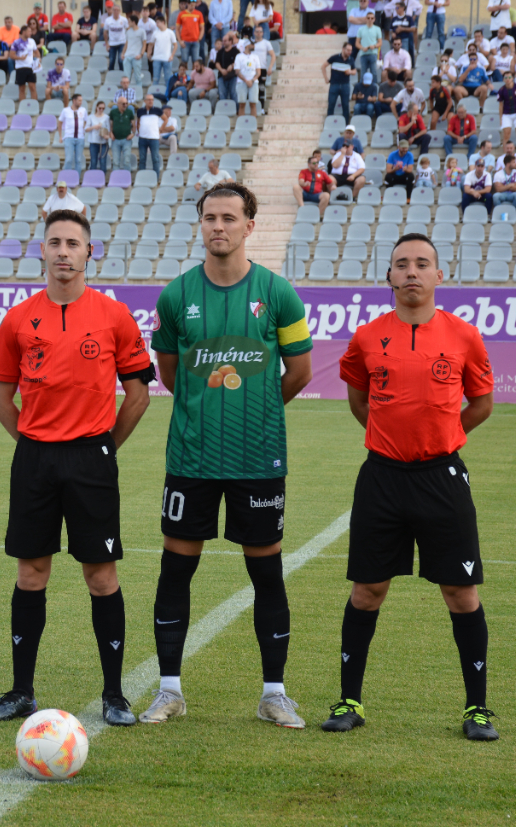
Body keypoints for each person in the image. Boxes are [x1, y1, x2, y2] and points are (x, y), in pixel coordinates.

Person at [139, 179, 312, 727]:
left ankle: (274, 694)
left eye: (229, 218)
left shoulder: (278, 293)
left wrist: (259, 410)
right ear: (202, 224)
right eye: (210, 217)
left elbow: (300, 371)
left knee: (266, 574)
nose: (219, 226)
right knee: (176, 571)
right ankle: (169, 690)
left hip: (257, 459)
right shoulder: (175, 296)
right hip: (191, 458)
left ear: (249, 226)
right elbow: (169, 372)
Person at [0, 207, 153, 727]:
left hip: (92, 457)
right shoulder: (18, 318)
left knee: (101, 576)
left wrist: (105, 447)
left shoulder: (113, 316)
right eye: (54, 242)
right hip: (35, 458)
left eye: (72, 244)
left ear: (88, 252)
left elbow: (139, 394)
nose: (62, 252)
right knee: (31, 573)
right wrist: (34, 440)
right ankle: (20, 691)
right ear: (42, 251)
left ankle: (115, 694)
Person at [323, 233, 497, 742]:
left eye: (423, 264)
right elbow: (359, 401)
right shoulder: (365, 337)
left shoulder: (464, 336)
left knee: (460, 593)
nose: (412, 272)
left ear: (440, 275)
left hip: (441, 479)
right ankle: (349, 700)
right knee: (367, 590)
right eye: (402, 265)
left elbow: (482, 404)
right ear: (390, 277)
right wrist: (389, 438)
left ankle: (478, 709)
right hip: (381, 479)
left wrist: (444, 436)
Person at [324, 42, 358, 122]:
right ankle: (329, 121)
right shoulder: (335, 57)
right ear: (343, 49)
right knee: (331, 104)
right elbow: (323, 66)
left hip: (345, 85)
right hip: (334, 84)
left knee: (345, 105)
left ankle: (346, 123)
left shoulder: (351, 59)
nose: (349, 52)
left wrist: (350, 72)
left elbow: (354, 71)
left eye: (351, 50)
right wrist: (326, 78)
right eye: (348, 50)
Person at [58, 93, 89, 175]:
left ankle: (76, 178)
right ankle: (67, 177)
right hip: (69, 137)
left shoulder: (83, 110)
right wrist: (60, 135)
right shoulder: (65, 110)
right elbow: (60, 122)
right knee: (68, 159)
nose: (81, 102)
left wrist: (83, 130)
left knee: (78, 160)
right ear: (74, 101)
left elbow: (86, 120)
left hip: (80, 138)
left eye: (81, 100)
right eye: (79, 100)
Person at [496, 71, 516, 147]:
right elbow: (500, 105)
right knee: (506, 135)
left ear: (512, 78)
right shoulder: (501, 90)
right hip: (506, 114)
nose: (508, 79)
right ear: (503, 79)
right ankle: (505, 156)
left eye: (509, 77)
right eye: (506, 78)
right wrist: (501, 118)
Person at [13, 25, 42, 102]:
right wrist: (20, 58)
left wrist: (38, 59)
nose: (30, 33)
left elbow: (36, 51)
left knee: (32, 86)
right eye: (29, 31)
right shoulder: (16, 42)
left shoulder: (32, 41)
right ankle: (23, 106)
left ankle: (34, 104)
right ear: (23, 32)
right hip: (20, 67)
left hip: (30, 66)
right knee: (22, 88)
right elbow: (11, 55)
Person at [137, 93, 164, 175]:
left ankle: (156, 178)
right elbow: (138, 122)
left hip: (154, 139)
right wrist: (139, 131)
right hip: (142, 139)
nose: (151, 101)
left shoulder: (158, 110)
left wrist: (161, 129)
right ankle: (141, 177)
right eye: (149, 100)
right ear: (145, 101)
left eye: (152, 100)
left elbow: (165, 119)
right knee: (142, 159)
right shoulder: (140, 111)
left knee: (155, 159)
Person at [110, 95, 136, 170]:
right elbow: (111, 124)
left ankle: (127, 179)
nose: (125, 105)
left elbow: (134, 125)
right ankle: (115, 180)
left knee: (127, 161)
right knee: (115, 162)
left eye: (126, 103)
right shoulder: (113, 112)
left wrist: (133, 134)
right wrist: (110, 133)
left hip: (126, 140)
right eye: (123, 103)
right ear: (118, 104)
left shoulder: (129, 112)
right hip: (115, 140)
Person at [234, 39, 260, 116]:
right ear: (247, 45)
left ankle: (253, 125)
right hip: (242, 82)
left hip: (253, 82)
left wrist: (252, 80)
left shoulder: (255, 56)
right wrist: (246, 80)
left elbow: (258, 72)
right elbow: (237, 71)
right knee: (242, 104)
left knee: (253, 104)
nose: (254, 46)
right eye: (252, 44)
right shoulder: (239, 56)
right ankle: (241, 125)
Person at [175, 0, 204, 67]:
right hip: (185, 41)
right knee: (184, 60)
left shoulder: (199, 14)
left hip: (195, 41)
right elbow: (177, 29)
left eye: (194, 5)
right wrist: (180, 41)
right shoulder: (181, 14)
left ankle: (194, 76)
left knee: (195, 61)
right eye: (191, 5)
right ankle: (185, 75)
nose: (193, 7)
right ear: (187, 4)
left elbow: (202, 28)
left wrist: (199, 38)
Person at [152, 17, 178, 85]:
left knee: (167, 78)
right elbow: (151, 44)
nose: (156, 24)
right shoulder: (155, 33)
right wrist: (149, 54)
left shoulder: (170, 32)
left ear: (163, 22)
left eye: (158, 22)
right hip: (157, 58)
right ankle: (155, 92)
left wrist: (172, 55)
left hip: (167, 58)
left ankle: (167, 94)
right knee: (155, 78)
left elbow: (175, 45)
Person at [357, 11, 381, 82]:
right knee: (363, 73)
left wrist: (374, 46)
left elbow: (380, 42)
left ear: (374, 19)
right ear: (366, 19)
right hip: (363, 54)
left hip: (373, 53)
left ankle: (375, 87)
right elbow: (357, 43)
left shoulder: (377, 29)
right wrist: (362, 48)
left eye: (372, 18)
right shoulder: (361, 29)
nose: (370, 20)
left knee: (374, 72)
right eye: (368, 18)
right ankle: (362, 90)